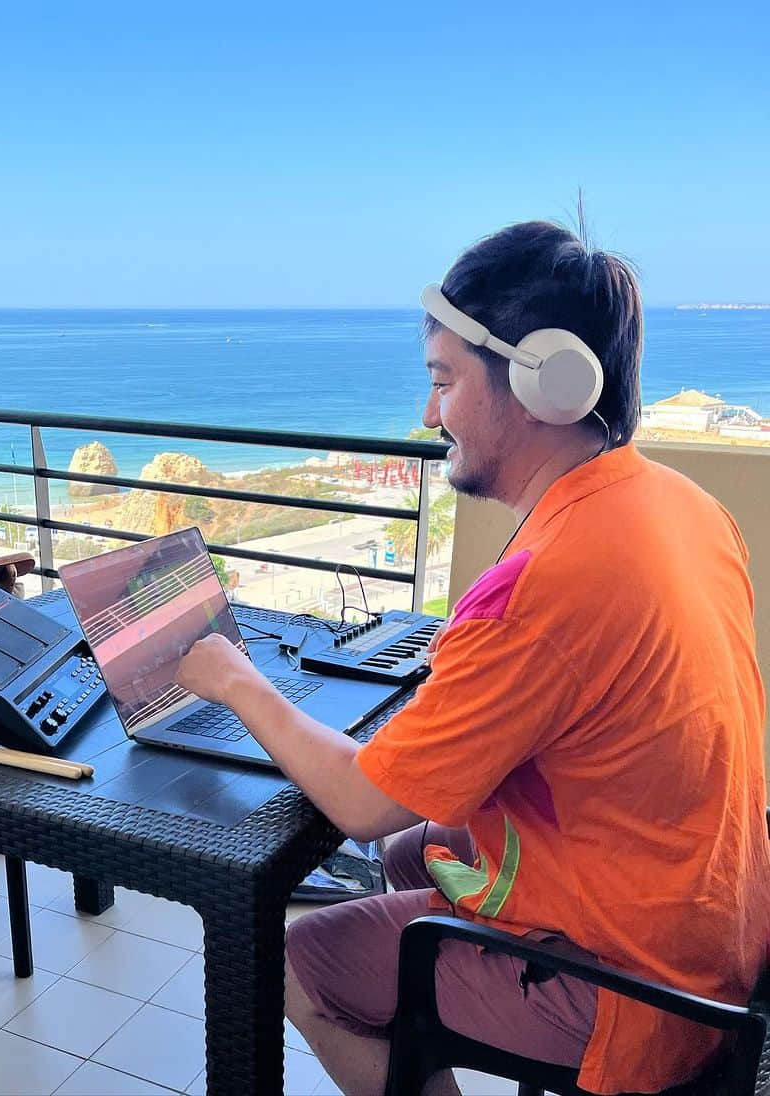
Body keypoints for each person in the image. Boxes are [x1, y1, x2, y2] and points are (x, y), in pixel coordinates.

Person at [176, 221, 770, 1096]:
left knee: (289, 960)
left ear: (543, 386)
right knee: (414, 854)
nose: (428, 414)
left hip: (638, 991)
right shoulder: (680, 505)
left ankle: (443, 1017)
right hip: (710, 919)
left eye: (444, 382)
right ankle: (433, 1029)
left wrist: (237, 682)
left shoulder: (549, 585)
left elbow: (361, 803)